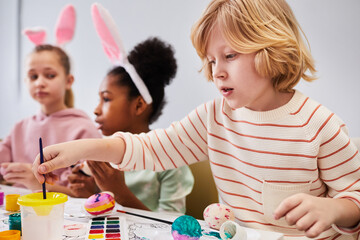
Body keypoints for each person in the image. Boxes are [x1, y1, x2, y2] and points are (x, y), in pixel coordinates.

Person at [33, 0, 360, 239]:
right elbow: (152, 149)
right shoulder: (215, 117)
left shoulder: (319, 125)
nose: (217, 71)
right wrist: (81, 149)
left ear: (272, 49)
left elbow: (355, 196)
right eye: (211, 59)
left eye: (230, 55)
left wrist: (333, 210)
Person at [67, 37, 194, 213]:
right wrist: (90, 194)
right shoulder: (103, 159)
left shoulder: (170, 159)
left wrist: (118, 193)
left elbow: (172, 229)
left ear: (139, 105)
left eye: (106, 99)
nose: (96, 110)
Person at [0, 44, 101, 193]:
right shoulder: (20, 127)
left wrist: (38, 183)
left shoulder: (84, 129)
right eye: (33, 76)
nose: (39, 83)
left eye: (50, 75)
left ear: (68, 81)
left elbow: (85, 194)